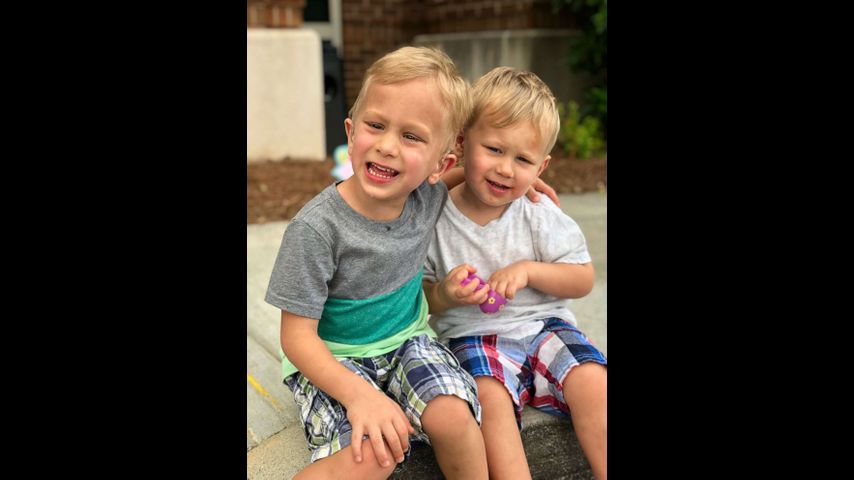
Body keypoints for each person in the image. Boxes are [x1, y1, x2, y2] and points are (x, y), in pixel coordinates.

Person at [265, 46, 491, 480]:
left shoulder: (426, 197)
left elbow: (473, 174)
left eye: (411, 137)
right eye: (376, 125)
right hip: (334, 359)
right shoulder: (316, 230)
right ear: (351, 134)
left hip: (408, 342)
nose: (387, 146)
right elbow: (296, 337)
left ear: (439, 164)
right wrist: (359, 396)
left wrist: (519, 180)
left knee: (455, 418)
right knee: (372, 454)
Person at [422, 67, 608, 480]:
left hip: (545, 327)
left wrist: (529, 271)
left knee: (594, 380)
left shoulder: (538, 213)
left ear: (541, 167)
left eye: (523, 159)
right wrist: (446, 293)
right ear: (462, 142)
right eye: (494, 149)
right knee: (488, 400)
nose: (506, 169)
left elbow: (582, 278)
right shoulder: (435, 219)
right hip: (474, 336)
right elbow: (423, 298)